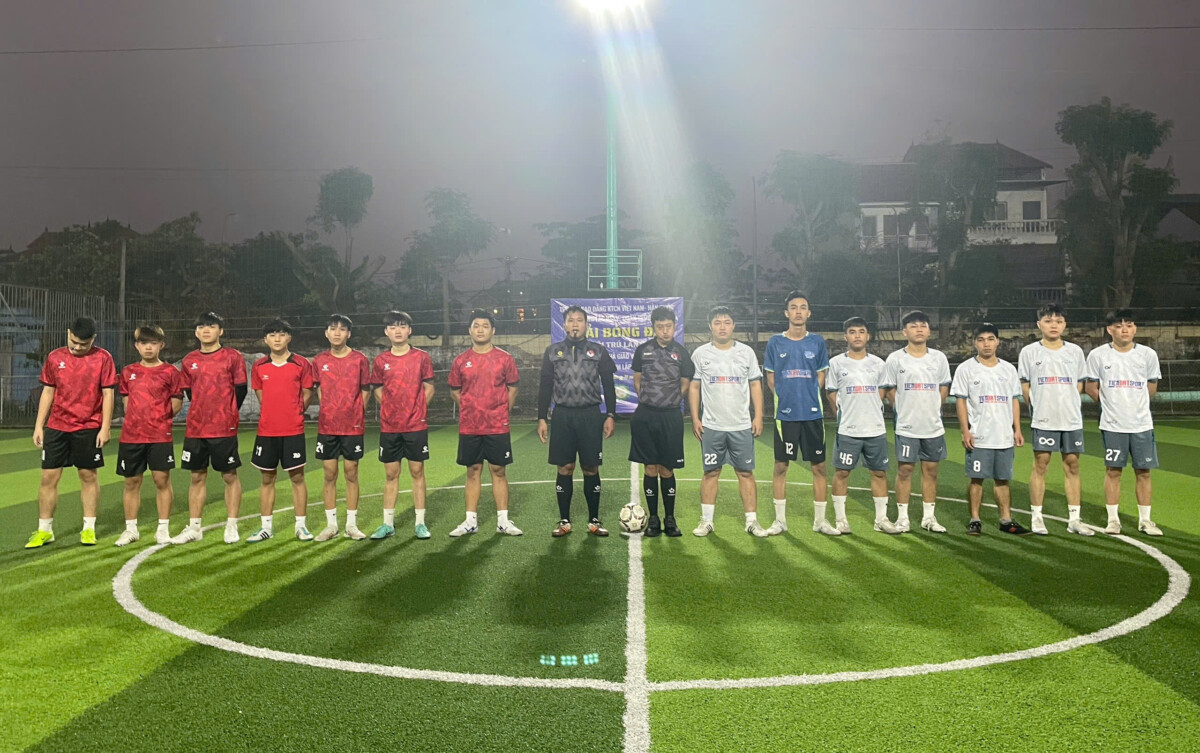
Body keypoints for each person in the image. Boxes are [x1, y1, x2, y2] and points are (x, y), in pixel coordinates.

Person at [25, 316, 117, 548]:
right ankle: (45, 530)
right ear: (68, 333)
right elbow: (48, 391)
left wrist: (105, 427)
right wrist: (39, 425)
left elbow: (108, 394)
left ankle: (88, 529)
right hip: (57, 427)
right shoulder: (55, 357)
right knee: (48, 477)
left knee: (88, 476)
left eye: (83, 344)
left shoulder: (103, 358)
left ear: (93, 339)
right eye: (73, 342)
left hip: (88, 427)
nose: (76, 347)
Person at [688, 306, 769, 538]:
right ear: (710, 326)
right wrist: (695, 418)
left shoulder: (746, 352)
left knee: (745, 473)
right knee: (710, 472)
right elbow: (694, 387)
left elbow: (755, 384)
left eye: (726, 322)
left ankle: (751, 521)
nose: (722, 327)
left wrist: (758, 416)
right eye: (717, 322)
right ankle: (706, 521)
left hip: (740, 425)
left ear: (733, 325)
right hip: (712, 426)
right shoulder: (700, 354)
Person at [537, 305, 617, 537]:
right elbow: (545, 387)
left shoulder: (598, 351)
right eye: (570, 320)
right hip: (563, 416)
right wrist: (541, 418)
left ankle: (594, 520)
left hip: (590, 415)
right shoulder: (553, 352)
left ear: (586, 325)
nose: (575, 324)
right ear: (564, 325)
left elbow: (609, 385)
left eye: (579, 320)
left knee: (591, 467)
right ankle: (564, 521)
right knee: (565, 467)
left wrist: (610, 415)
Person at [1085, 309, 1163, 536]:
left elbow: (1151, 387)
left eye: (1129, 325)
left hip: (1141, 424)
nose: (1125, 330)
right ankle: (1113, 521)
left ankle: (1145, 521)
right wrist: (1111, 404)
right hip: (1113, 425)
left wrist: (1135, 406)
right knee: (1113, 471)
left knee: (1144, 471)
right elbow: (1091, 387)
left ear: (1135, 328)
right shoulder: (1098, 355)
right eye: (1119, 326)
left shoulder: (1147, 354)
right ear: (1110, 330)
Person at [1018, 302, 1093, 536]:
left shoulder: (1075, 351)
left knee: (1073, 465)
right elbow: (1025, 384)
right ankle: (1037, 517)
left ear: (1064, 324)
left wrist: (1069, 403)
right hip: (1044, 419)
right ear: (1039, 324)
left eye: (1058, 321)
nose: (1054, 325)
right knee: (1040, 464)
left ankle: (1074, 520)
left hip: (1071, 419)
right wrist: (1037, 406)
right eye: (1048, 321)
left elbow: (1079, 384)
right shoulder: (1029, 352)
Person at [763, 291, 835, 535]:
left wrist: (811, 393)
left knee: (819, 467)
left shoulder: (817, 342)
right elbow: (771, 377)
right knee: (781, 467)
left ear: (809, 313)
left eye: (803, 307)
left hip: (812, 414)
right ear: (787, 313)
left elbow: (821, 373)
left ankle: (820, 521)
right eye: (793, 307)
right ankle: (780, 521)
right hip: (786, 416)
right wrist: (785, 397)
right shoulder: (775, 342)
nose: (798, 311)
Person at [447, 310, 523, 537]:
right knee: (473, 471)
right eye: (476, 325)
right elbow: (454, 390)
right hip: (470, 426)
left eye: (485, 326)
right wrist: (471, 409)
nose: (480, 330)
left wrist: (501, 411)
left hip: (497, 426)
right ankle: (470, 521)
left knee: (498, 470)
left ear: (493, 330)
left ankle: (503, 522)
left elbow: (513, 388)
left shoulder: (504, 359)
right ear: (469, 330)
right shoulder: (461, 360)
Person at [173, 311, 247, 545]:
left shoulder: (232, 357)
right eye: (201, 326)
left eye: (211, 326)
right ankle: (195, 528)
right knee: (196, 476)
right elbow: (189, 392)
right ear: (196, 332)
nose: (206, 330)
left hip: (223, 427)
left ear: (220, 331)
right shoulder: (189, 360)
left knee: (229, 475)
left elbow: (241, 389)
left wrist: (228, 412)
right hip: (196, 428)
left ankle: (232, 525)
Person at [825, 318, 901, 535]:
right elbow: (831, 392)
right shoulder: (836, 363)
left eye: (861, 331)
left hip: (875, 429)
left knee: (879, 473)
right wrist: (842, 414)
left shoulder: (878, 364)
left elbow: (883, 391)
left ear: (868, 336)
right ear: (845, 337)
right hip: (848, 430)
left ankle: (881, 519)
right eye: (852, 331)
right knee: (842, 472)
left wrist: (871, 407)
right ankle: (841, 519)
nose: (857, 335)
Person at [952, 323, 1029, 536]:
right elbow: (960, 401)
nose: (986, 344)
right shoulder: (966, 369)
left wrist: (1017, 429)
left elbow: (1014, 400)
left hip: (1003, 435)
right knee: (976, 479)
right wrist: (965, 431)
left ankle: (1006, 520)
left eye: (990, 339)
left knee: (1002, 479)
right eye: (981, 340)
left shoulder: (1008, 369)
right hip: (979, 436)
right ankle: (975, 520)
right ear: (974, 343)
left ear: (997, 342)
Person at [880, 311, 951, 533]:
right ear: (904, 332)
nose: (919, 329)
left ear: (929, 330)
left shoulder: (938, 358)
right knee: (905, 470)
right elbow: (889, 389)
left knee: (931, 471)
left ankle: (928, 518)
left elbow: (944, 386)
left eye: (923, 325)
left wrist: (934, 407)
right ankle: (903, 518)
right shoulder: (895, 359)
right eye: (913, 325)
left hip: (932, 426)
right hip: (907, 426)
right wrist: (901, 408)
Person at [114, 325, 184, 547]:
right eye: (143, 343)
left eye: (153, 343)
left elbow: (176, 402)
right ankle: (131, 530)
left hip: (159, 436)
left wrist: (159, 419)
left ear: (161, 345)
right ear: (136, 346)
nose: (148, 347)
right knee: (131, 482)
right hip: (131, 437)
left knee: (161, 480)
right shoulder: (128, 372)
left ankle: (162, 529)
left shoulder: (171, 372)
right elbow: (126, 401)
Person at [245, 319, 315, 542]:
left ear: (289, 338)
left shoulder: (301, 364)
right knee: (267, 479)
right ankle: (266, 527)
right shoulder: (259, 366)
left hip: (292, 430)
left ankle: (301, 526)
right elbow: (261, 395)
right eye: (272, 335)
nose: (277, 339)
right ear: (265, 339)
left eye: (282, 334)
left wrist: (294, 412)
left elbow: (307, 393)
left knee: (297, 477)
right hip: (267, 431)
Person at [630, 306, 693, 538]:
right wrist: (649, 400)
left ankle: (670, 518)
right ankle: (654, 519)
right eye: (660, 327)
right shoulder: (643, 350)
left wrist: (671, 399)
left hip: (671, 416)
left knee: (667, 468)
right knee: (650, 467)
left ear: (674, 327)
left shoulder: (681, 353)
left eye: (668, 326)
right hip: (646, 416)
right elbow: (637, 380)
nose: (665, 331)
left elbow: (685, 382)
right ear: (653, 328)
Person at [371, 310, 435, 540]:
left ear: (409, 330)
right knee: (391, 474)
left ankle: (420, 523)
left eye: (402, 326)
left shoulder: (421, 358)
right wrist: (390, 408)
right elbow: (377, 388)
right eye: (392, 327)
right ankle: (387, 524)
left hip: (415, 426)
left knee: (417, 471)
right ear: (386, 332)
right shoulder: (381, 361)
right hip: (390, 426)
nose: (397, 331)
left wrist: (417, 409)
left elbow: (429, 387)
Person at [311, 314, 372, 542]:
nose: (337, 333)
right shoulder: (319, 361)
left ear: (349, 334)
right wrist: (328, 409)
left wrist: (357, 412)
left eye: (342, 329)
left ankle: (351, 525)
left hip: (352, 426)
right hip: (328, 426)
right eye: (333, 328)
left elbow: (365, 389)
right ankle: (331, 525)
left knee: (351, 472)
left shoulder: (359, 359)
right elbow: (318, 388)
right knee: (329, 473)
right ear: (326, 333)